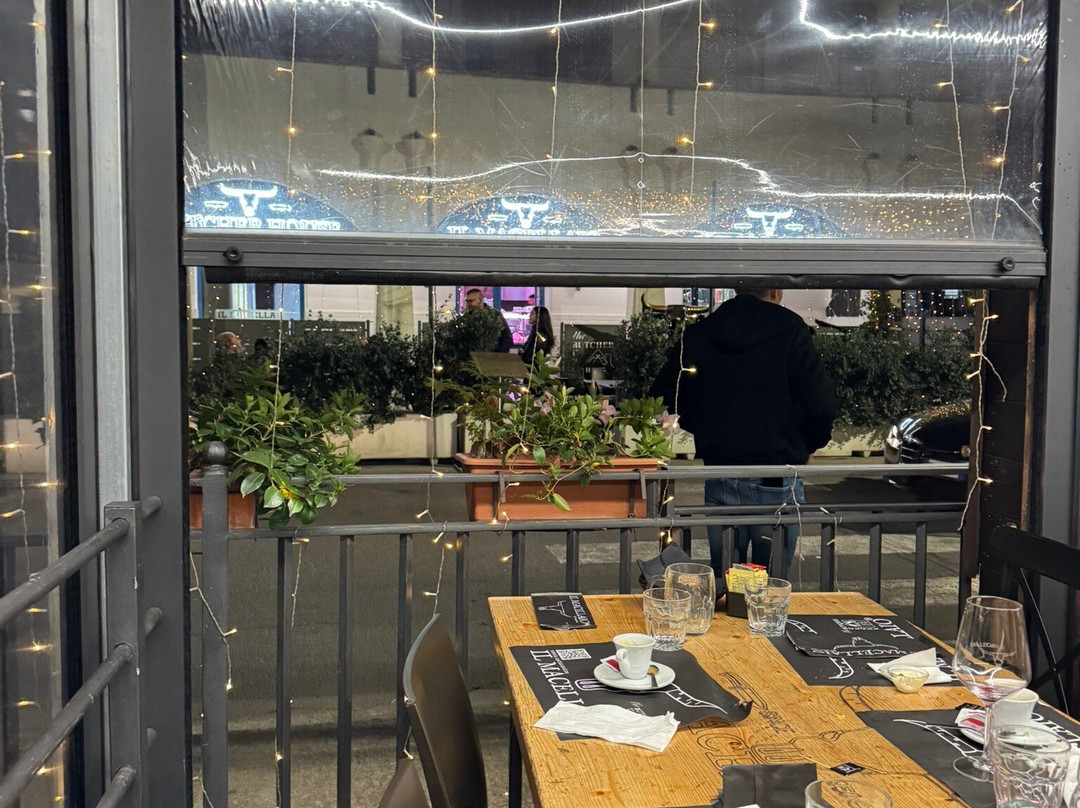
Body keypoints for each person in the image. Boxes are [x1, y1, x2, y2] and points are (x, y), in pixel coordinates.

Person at [650, 288, 838, 574]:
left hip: (720, 470)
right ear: (775, 290)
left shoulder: (702, 332)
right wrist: (808, 445)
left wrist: (707, 427)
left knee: (726, 576)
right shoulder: (790, 329)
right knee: (771, 581)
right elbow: (821, 405)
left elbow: (665, 396)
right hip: (776, 473)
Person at [464, 287, 514, 352]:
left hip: (493, 354)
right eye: (467, 301)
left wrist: (502, 353)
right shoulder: (467, 317)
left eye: (471, 301)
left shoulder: (494, 315)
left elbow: (507, 335)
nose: (468, 304)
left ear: (480, 300)